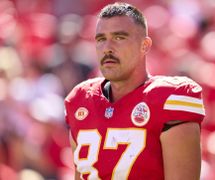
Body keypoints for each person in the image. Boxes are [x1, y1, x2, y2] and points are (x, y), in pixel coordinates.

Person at [64, 2, 205, 180]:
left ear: (144, 45)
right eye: (100, 39)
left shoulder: (170, 98)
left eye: (119, 37)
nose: (107, 47)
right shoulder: (80, 100)